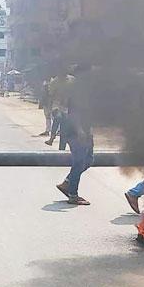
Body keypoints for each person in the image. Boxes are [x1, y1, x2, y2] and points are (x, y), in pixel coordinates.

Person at [56, 64, 94, 204]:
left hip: (85, 130)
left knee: (89, 160)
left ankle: (67, 182)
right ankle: (73, 194)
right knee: (79, 162)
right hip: (76, 131)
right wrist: (80, 130)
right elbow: (74, 114)